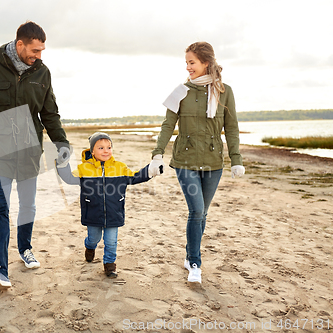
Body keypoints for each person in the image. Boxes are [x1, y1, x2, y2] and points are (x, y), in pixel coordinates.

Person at [0, 21, 71, 290]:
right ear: (20, 44)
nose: (39, 55)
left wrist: (61, 143)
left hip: (29, 150)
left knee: (28, 205)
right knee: (0, 207)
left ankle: (25, 249)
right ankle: (0, 270)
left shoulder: (42, 72)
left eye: (42, 50)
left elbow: (49, 113)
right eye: (35, 50)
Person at [148, 42, 245, 284]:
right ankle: (194, 263)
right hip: (185, 161)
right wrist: (157, 154)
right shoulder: (180, 91)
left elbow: (231, 128)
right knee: (196, 211)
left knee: (203, 214)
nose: (188, 67)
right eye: (187, 63)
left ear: (206, 63)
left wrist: (236, 159)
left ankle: (190, 254)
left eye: (192, 62)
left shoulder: (225, 92)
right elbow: (167, 126)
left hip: (213, 162)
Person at [56, 132, 158, 278]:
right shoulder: (84, 169)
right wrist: (62, 164)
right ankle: (89, 247)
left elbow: (134, 177)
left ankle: (110, 265)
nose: (106, 150)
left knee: (111, 242)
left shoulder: (120, 167)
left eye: (109, 147)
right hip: (92, 212)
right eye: (101, 148)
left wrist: (150, 171)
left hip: (114, 212)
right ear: (92, 151)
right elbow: (69, 178)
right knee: (94, 238)